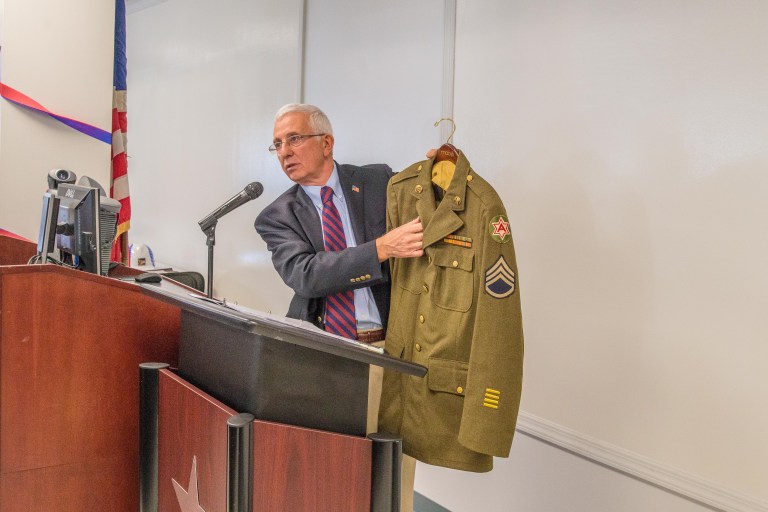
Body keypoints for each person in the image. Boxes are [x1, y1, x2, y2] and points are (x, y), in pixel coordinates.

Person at [254, 103, 423, 338]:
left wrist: (437, 168)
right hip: (321, 345)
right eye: (278, 144)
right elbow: (306, 276)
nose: (284, 152)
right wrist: (379, 249)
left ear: (326, 144)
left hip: (389, 340)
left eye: (294, 139)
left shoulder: (378, 182)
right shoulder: (277, 216)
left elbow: (426, 200)